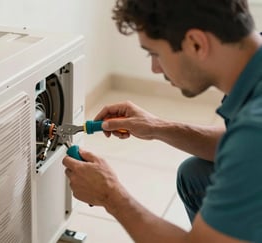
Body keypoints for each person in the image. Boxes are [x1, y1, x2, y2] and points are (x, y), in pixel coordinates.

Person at [62, 0, 262, 242]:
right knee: (196, 175)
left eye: (154, 53)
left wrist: (110, 196)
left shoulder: (254, 128)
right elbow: (237, 145)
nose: (155, 68)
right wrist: (156, 127)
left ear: (196, 44)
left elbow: (249, 143)